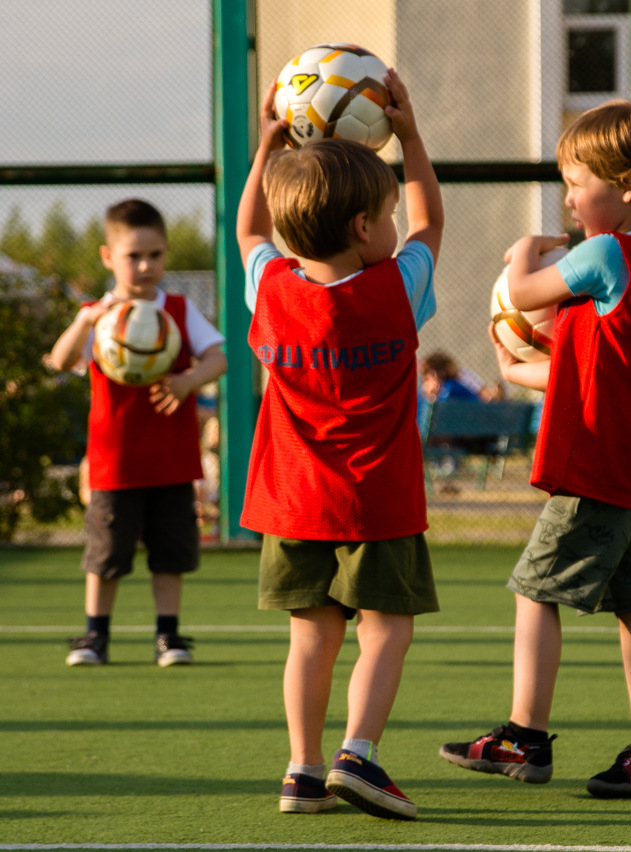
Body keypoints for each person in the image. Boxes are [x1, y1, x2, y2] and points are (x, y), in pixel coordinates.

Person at [438, 99, 631, 797]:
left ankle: (524, 737)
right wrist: (515, 366)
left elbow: (523, 288)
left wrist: (527, 252)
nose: (570, 198)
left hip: (594, 471)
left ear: (630, 186)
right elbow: (592, 375)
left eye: (578, 182)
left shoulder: (606, 253)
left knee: (534, 592)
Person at [235, 69, 443, 819]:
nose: (395, 227)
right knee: (386, 628)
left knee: (309, 639)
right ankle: (360, 753)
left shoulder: (271, 289)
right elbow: (432, 226)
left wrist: (267, 148)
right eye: (383, 214)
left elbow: (249, 232)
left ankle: (301, 770)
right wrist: (411, 136)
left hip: (292, 502)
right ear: (363, 226)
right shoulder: (395, 287)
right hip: (378, 499)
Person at [48, 198, 228, 668]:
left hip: (172, 460)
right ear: (109, 257)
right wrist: (84, 319)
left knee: (170, 555)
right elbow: (61, 360)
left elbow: (218, 357)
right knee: (105, 555)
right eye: (133, 256)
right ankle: (94, 635)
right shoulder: (99, 316)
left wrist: (189, 379)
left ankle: (168, 636)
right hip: (115, 461)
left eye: (156, 255)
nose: (146, 266)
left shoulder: (179, 310)